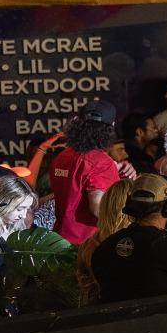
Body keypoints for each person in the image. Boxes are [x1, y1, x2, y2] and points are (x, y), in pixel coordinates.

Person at [51, 102, 131, 246]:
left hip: (60, 241)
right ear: (111, 125)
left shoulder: (62, 157)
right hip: (88, 246)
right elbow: (98, 208)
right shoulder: (101, 162)